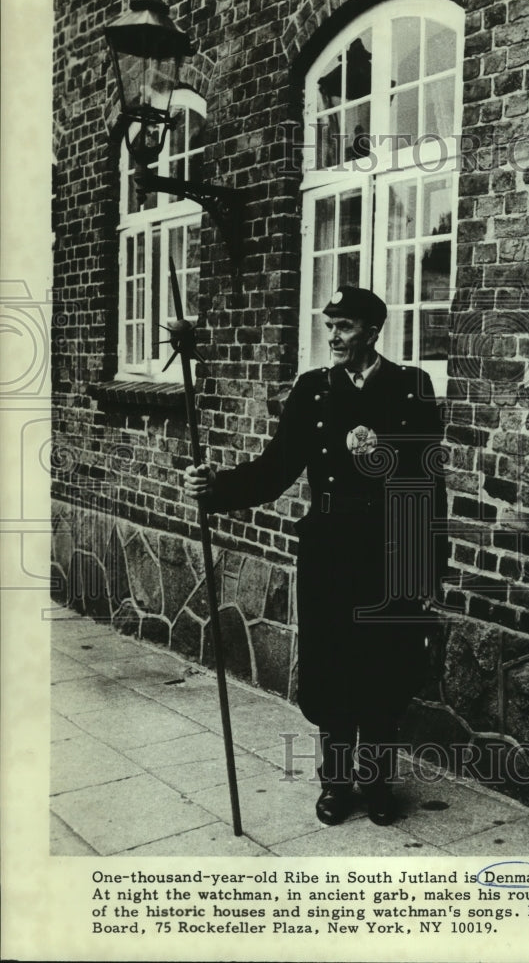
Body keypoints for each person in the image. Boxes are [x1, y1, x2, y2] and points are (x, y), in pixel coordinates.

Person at [184, 286, 446, 826]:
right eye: (330, 327)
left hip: (388, 551)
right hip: (328, 549)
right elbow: (275, 468)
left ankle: (377, 783)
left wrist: (425, 567)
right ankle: (336, 783)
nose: (334, 338)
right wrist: (216, 487)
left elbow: (428, 484)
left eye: (345, 327)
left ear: (373, 332)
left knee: (384, 665)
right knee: (331, 665)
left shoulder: (410, 389)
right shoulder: (313, 391)